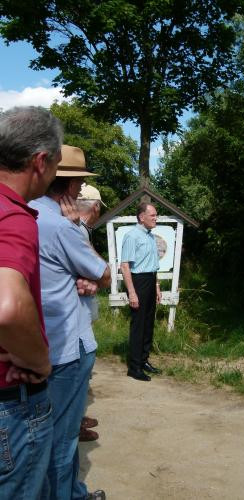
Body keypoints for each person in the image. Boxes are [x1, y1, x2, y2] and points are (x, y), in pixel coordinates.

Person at [30, 145, 110, 500]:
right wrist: (78, 230)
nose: (79, 190)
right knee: (61, 439)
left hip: (32, 342)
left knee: (40, 433)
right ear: (69, 183)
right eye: (79, 182)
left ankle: (73, 493)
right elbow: (104, 274)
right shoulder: (62, 226)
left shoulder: (24, 214)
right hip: (68, 347)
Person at [0, 106, 62, 498]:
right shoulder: (14, 217)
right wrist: (38, 359)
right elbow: (6, 306)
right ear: (40, 162)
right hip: (10, 406)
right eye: (56, 164)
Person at [76, 184, 107, 442]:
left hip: (80, 312)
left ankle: (75, 417)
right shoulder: (77, 231)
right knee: (79, 367)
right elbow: (101, 272)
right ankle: (73, 421)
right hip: (75, 316)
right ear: (95, 208)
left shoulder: (79, 229)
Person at [121, 203, 162, 381]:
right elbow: (125, 266)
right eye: (152, 215)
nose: (155, 218)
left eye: (156, 215)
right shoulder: (132, 236)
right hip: (138, 282)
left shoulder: (151, 237)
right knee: (138, 325)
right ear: (141, 217)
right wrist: (132, 292)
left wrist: (157, 286)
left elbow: (153, 265)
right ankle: (134, 367)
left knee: (148, 324)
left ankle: (144, 360)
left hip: (150, 280)